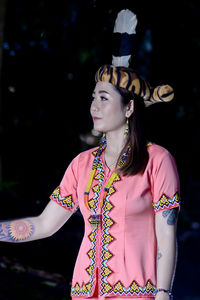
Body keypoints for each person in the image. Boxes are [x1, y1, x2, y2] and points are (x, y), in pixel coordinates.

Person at [0, 9, 180, 300]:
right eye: (93, 97)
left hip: (136, 294)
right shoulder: (81, 164)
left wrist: (163, 294)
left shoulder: (157, 160)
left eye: (104, 98)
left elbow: (166, 235)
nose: (94, 106)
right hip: (85, 293)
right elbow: (44, 224)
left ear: (129, 108)